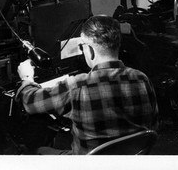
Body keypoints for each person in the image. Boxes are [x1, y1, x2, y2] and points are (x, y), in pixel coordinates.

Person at [15, 15, 158, 154]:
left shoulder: (78, 86)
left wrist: (26, 77)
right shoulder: (142, 79)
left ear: (89, 50)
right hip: (130, 161)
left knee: (39, 151)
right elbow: (152, 125)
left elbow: (30, 103)